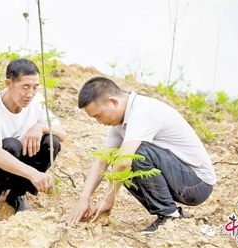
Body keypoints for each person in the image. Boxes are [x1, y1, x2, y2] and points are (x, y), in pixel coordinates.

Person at [67, 76, 216, 234]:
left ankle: (170, 216)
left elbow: (124, 161)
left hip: (197, 183)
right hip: (179, 178)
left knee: (132, 155)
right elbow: (102, 160)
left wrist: (108, 199)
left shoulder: (143, 111)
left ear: (113, 102)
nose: (98, 122)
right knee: (118, 159)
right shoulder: (120, 122)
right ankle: (167, 213)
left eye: (98, 115)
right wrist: (84, 198)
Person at [0, 58, 67, 222]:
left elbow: (62, 134)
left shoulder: (36, 101)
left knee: (51, 142)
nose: (30, 94)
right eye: (25, 87)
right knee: (11, 145)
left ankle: (17, 194)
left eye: (35, 87)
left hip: (11, 170)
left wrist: (40, 127)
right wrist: (33, 174)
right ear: (8, 84)